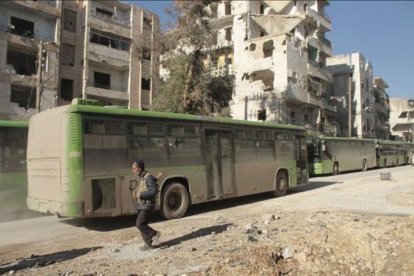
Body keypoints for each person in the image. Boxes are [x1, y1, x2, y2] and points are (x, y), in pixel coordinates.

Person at [131, 159, 161, 251]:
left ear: (139, 168)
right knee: (142, 224)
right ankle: (148, 244)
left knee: (139, 224)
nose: (133, 170)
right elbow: (146, 186)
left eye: (134, 168)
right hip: (142, 204)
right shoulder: (141, 176)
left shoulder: (148, 177)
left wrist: (141, 195)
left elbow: (154, 190)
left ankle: (154, 234)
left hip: (147, 205)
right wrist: (136, 193)